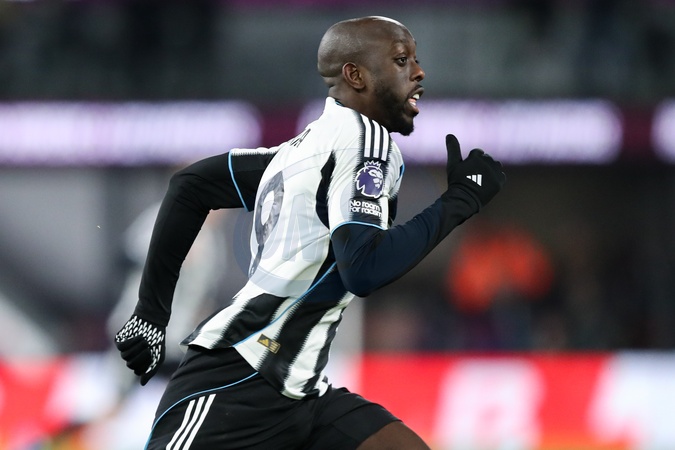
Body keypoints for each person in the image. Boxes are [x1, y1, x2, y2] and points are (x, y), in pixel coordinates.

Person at [114, 16, 505, 449]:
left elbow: (191, 186)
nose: (418, 72)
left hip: (298, 389)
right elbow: (364, 268)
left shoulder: (303, 149)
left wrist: (150, 315)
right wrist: (459, 201)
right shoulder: (366, 141)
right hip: (238, 383)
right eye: (400, 60)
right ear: (356, 76)